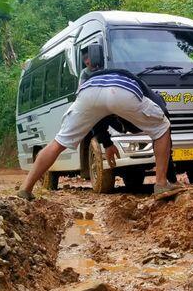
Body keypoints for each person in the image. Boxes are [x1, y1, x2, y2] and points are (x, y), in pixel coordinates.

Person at [17, 53, 178, 199]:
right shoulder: (154, 98)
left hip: (87, 92)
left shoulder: (104, 84)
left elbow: (98, 119)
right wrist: (172, 179)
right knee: (162, 127)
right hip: (120, 89)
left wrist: (108, 145)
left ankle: (26, 188)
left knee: (58, 142)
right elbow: (164, 137)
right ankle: (161, 183)